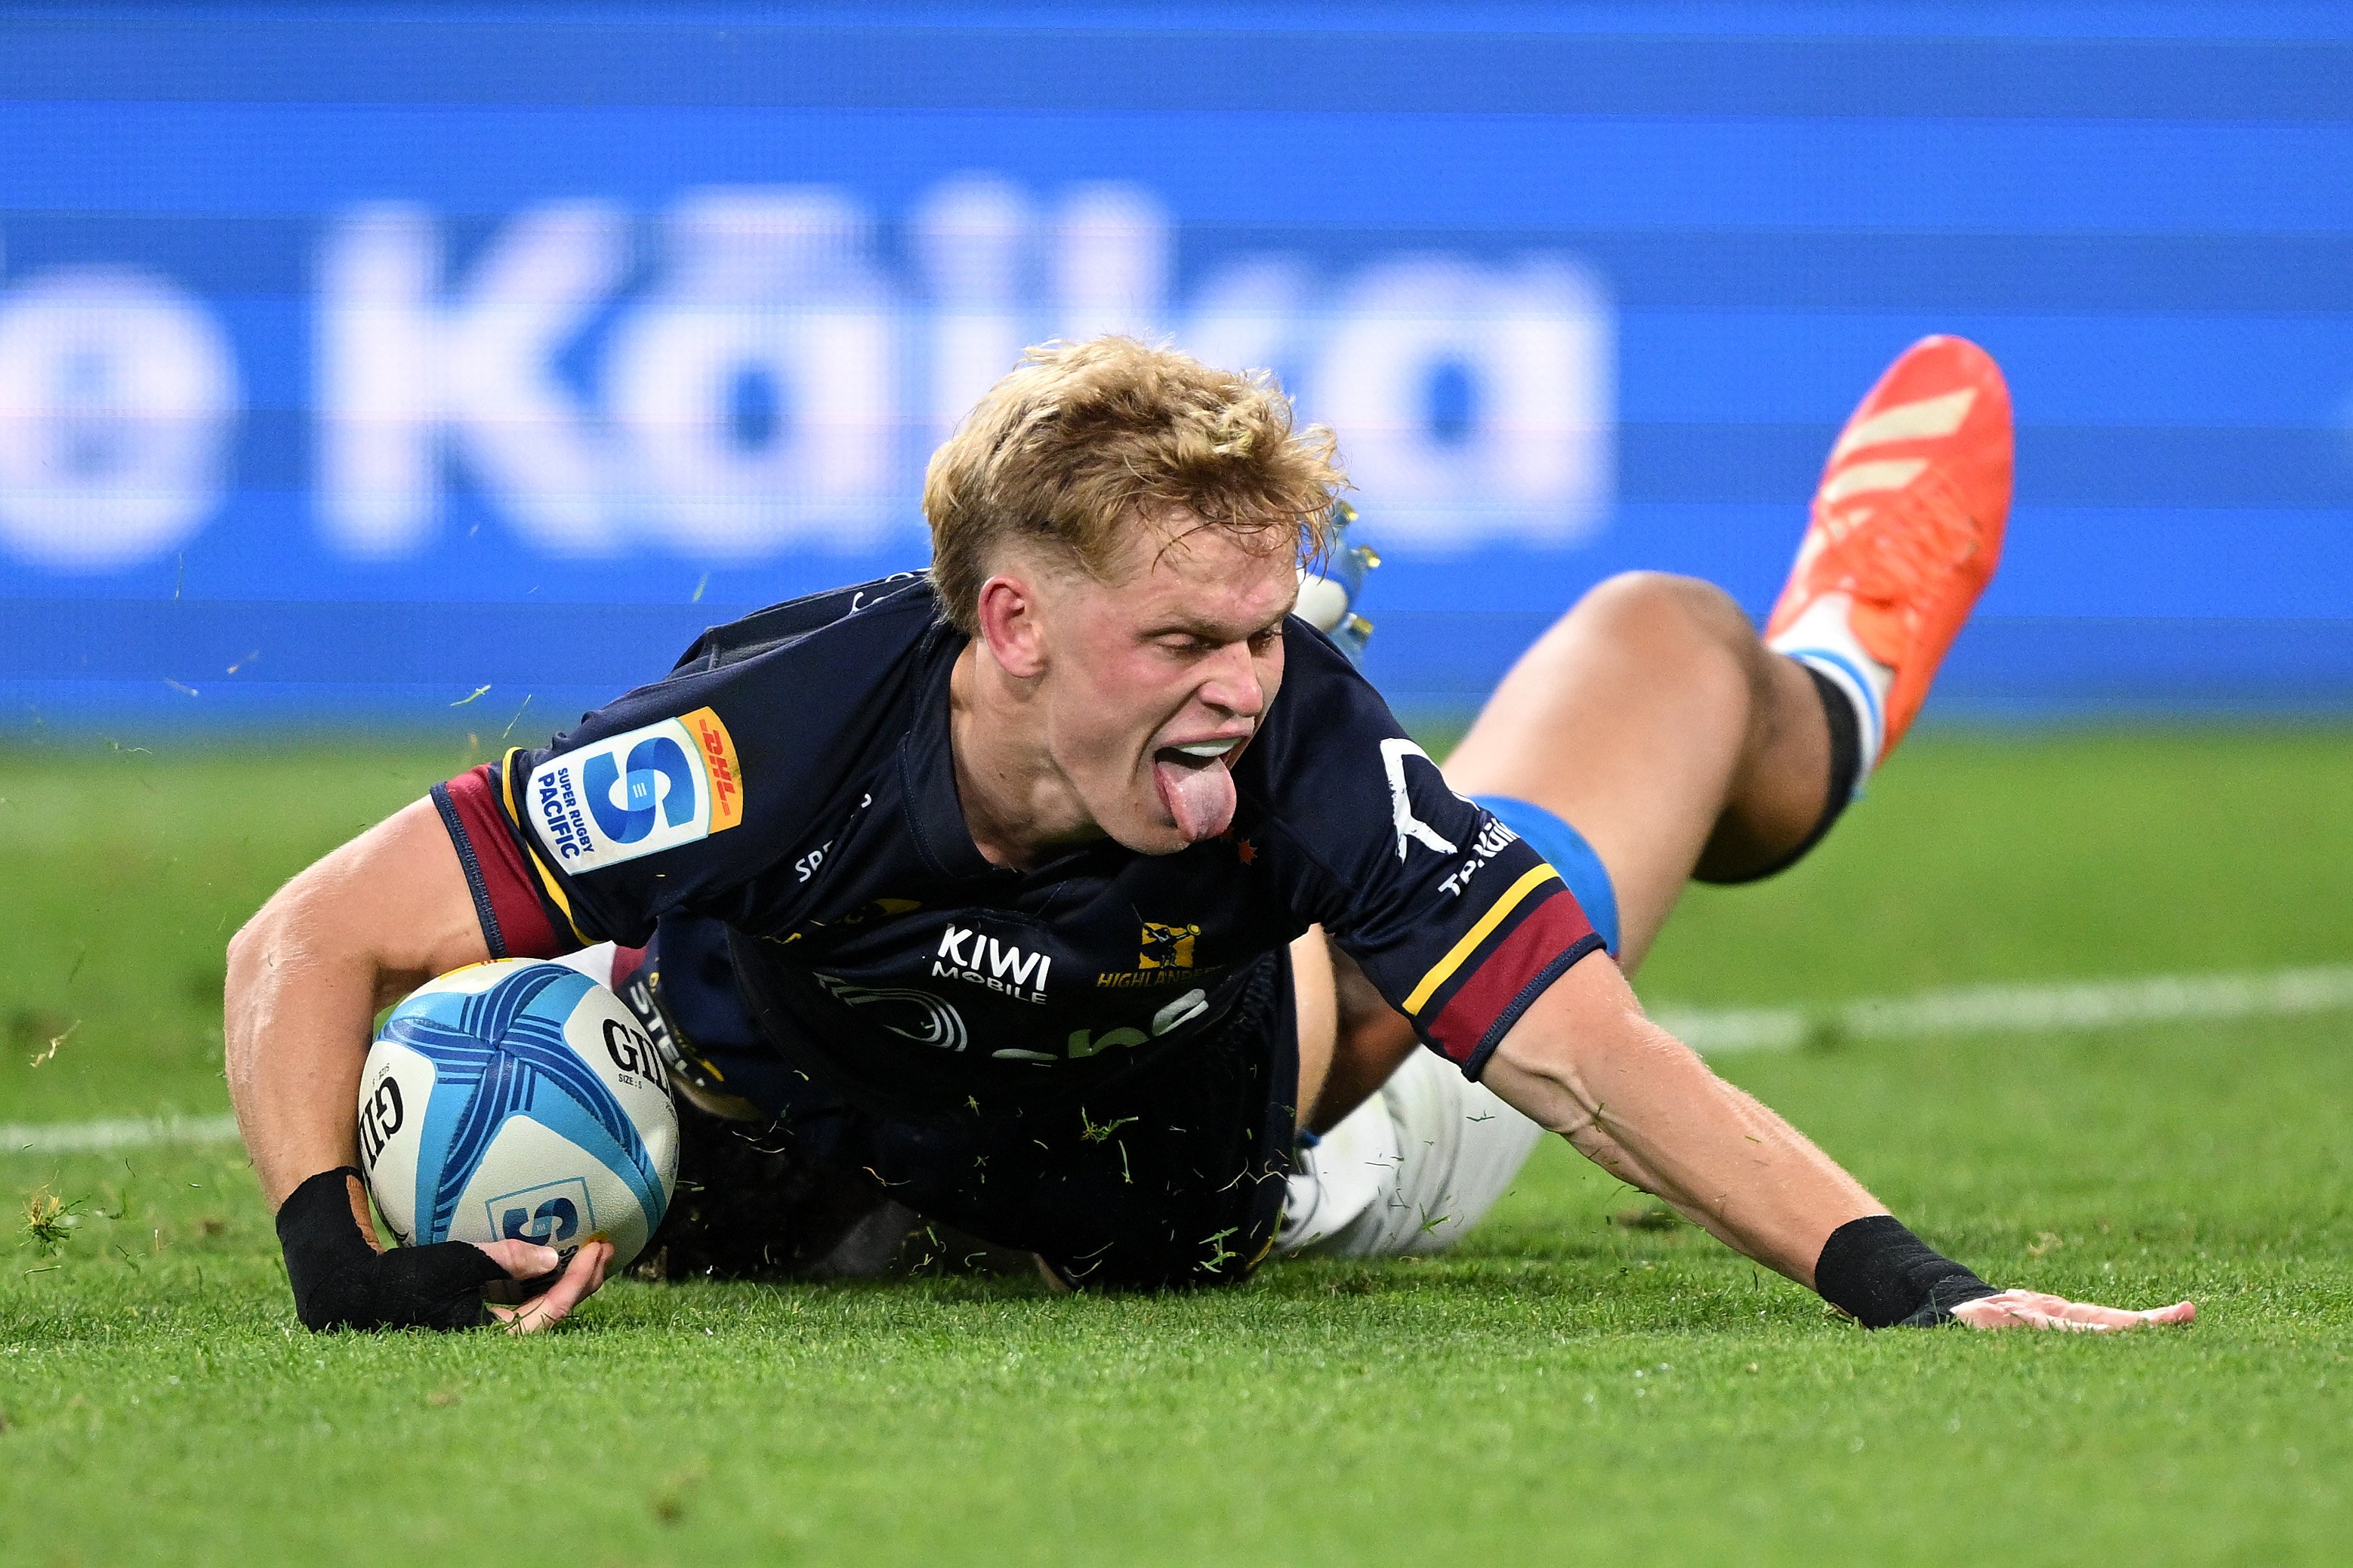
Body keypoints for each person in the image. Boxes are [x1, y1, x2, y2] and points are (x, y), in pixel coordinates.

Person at [225, 333, 2194, 1335]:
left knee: (1661, 646)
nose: (1244, 683)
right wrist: (334, 1256)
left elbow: (1591, 1062)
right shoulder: (773, 739)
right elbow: (304, 940)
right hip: (810, 1139)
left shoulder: (1306, 746)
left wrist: (1909, 1286)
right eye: (1182, 638)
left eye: (1263, 627)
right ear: (1010, 625)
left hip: (1300, 1136)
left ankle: (1836, 670)